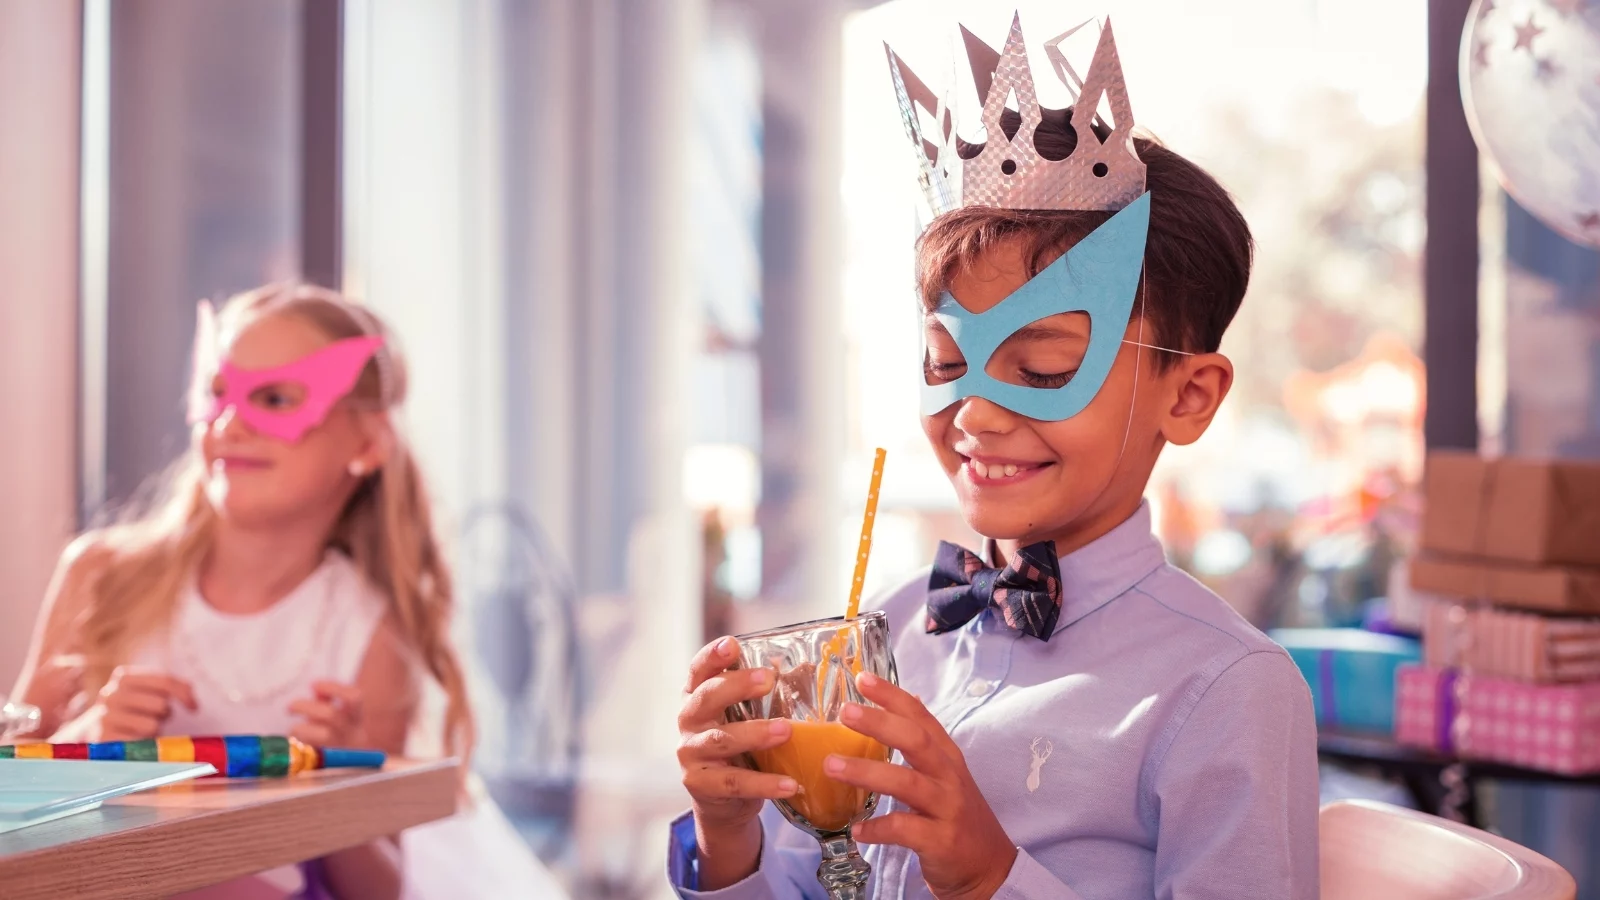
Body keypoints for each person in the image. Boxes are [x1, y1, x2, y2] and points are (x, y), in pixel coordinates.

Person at [670, 15, 1319, 900]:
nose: (973, 410)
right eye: (945, 362)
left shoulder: (1227, 690)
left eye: (1044, 367)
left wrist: (990, 877)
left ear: (1189, 395)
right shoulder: (888, 631)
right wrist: (730, 832)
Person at [8, 283, 558, 900]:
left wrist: (348, 787)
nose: (231, 423)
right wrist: (85, 738)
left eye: (273, 398)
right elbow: (8, 790)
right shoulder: (103, 576)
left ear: (367, 444)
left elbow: (374, 891)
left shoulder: (371, 635)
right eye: (218, 394)